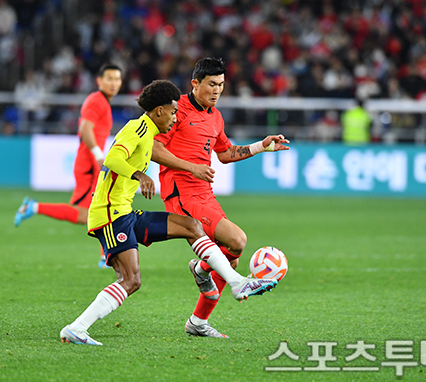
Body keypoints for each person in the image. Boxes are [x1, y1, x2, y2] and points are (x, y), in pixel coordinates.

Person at [60, 80, 278, 346]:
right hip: (109, 215)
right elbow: (112, 158)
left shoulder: (148, 132)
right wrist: (139, 175)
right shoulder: (137, 128)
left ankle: (235, 282)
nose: (175, 118)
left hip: (124, 212)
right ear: (159, 111)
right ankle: (77, 328)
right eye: (173, 112)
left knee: (191, 226)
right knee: (131, 280)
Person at [151, 57, 290, 338]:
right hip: (181, 192)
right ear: (195, 83)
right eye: (212, 84)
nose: (217, 90)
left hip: (204, 192)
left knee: (231, 260)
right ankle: (202, 270)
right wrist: (191, 167)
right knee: (237, 240)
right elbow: (153, 148)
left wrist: (261, 146)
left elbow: (225, 153)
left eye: (221, 85)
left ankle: (198, 321)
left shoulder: (215, 116)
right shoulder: (176, 109)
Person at [14, 63, 123, 268]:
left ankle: (34, 207)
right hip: (90, 164)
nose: (114, 83)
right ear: (99, 81)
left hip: (89, 162)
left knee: (88, 213)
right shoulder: (97, 101)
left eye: (117, 79)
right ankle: (106, 257)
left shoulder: (100, 101)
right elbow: (85, 129)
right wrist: (98, 157)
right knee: (104, 206)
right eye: (109, 78)